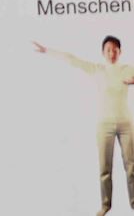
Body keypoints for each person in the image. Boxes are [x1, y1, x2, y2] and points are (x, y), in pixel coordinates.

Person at [34, 37, 134, 215]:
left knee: (131, 166)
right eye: (108, 50)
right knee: (105, 168)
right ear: (103, 52)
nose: (112, 53)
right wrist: (47, 51)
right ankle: (105, 205)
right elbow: (73, 60)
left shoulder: (127, 70)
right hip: (104, 124)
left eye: (115, 50)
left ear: (120, 52)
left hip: (126, 124)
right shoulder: (98, 70)